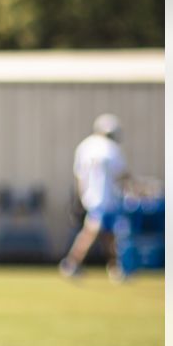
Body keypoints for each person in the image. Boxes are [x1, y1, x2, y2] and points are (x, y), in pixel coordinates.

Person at [60, 113, 131, 282]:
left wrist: (81, 195)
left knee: (108, 234)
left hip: (90, 196)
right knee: (91, 231)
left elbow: (79, 175)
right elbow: (121, 174)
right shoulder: (111, 148)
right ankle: (71, 263)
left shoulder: (85, 146)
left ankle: (115, 267)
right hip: (105, 198)